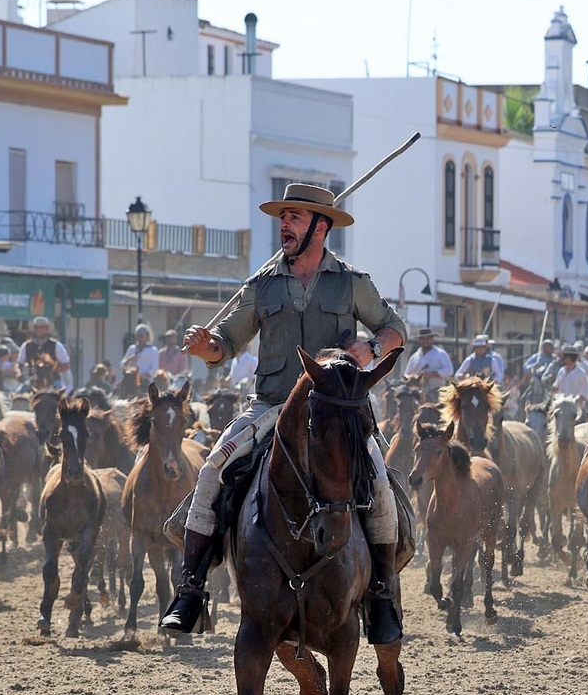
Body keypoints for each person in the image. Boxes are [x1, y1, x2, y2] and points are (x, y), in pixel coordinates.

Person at [167, 180, 406, 642]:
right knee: (213, 468)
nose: (284, 225)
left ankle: (381, 595)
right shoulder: (261, 284)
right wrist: (205, 346)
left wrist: (372, 347)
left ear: (321, 227)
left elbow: (394, 328)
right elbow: (226, 344)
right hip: (270, 408)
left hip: (337, 412)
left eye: (294, 217)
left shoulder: (353, 282)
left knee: (378, 480)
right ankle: (191, 590)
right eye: (283, 218)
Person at [17, 316, 73, 392]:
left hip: (53, 380)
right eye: (37, 327)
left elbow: (66, 365)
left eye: (42, 328)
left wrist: (52, 369)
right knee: (18, 394)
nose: (39, 330)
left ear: (46, 329)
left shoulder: (56, 345)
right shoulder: (27, 345)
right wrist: (19, 373)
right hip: (32, 381)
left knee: (62, 395)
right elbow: (19, 364)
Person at [403, 327, 454, 396]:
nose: (425, 341)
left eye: (427, 339)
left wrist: (432, 374)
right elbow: (406, 374)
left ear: (432, 339)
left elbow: (449, 371)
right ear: (419, 340)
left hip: (437, 391)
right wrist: (413, 376)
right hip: (417, 392)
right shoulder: (414, 357)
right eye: (422, 339)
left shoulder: (441, 354)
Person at [119, 324, 159, 396]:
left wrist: (141, 375)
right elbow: (123, 364)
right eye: (138, 335)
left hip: (145, 380)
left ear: (147, 336)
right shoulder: (132, 348)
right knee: (118, 390)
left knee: (146, 393)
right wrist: (130, 359)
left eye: (141, 335)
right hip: (130, 379)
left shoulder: (153, 350)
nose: (139, 338)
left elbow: (154, 369)